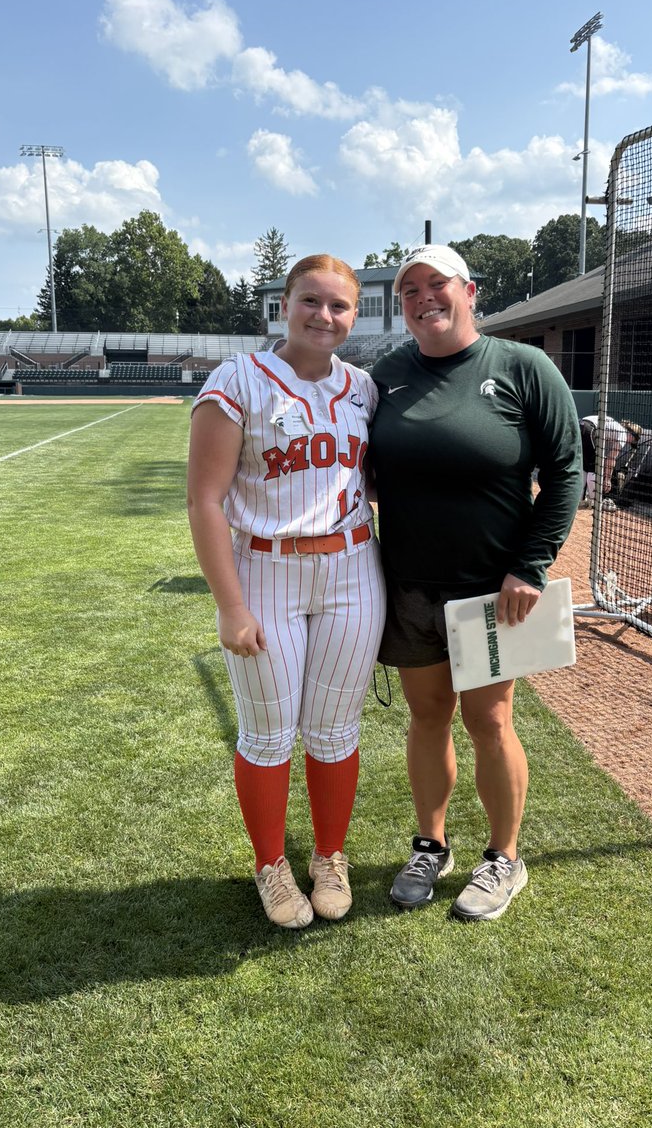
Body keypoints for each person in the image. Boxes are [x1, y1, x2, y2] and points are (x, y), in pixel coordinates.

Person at [368, 244, 582, 921]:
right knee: (427, 716)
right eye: (409, 292)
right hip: (408, 586)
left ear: (470, 291)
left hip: (492, 592)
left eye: (438, 285)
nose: (424, 299)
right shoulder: (388, 374)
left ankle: (504, 858)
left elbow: (566, 472)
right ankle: (431, 844)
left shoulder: (523, 367)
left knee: (490, 720)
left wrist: (531, 565)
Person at [187, 255, 386, 930]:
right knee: (269, 733)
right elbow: (205, 500)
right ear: (284, 305)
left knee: (334, 730)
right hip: (266, 568)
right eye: (311, 301)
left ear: (355, 315)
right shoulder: (238, 379)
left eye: (339, 306)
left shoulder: (363, 387)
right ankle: (271, 866)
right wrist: (230, 603)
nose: (324, 316)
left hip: (353, 569)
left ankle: (329, 856)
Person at [579, 413, 629, 509]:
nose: (628, 443)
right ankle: (594, 502)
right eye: (633, 441)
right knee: (594, 466)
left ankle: (580, 499)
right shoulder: (623, 434)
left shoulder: (614, 427)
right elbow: (611, 458)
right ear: (632, 434)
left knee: (585, 465)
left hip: (580, 425)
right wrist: (607, 479)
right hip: (590, 428)